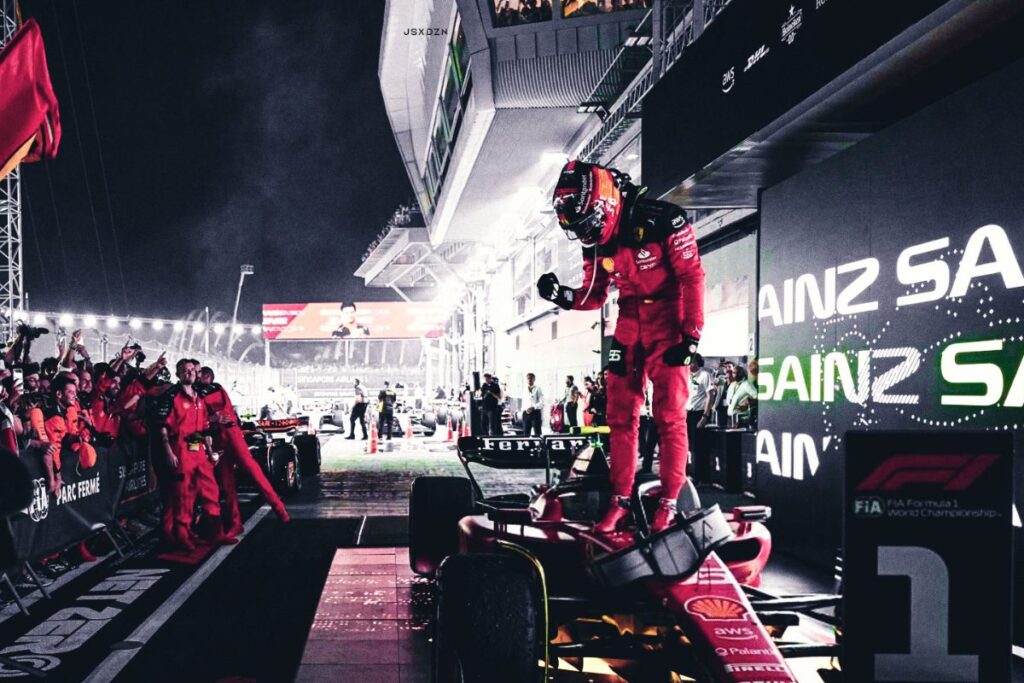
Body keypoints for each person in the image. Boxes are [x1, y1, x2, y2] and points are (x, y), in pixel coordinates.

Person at [538, 159, 705, 533]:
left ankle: (669, 502)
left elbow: (693, 277)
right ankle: (620, 500)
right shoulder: (595, 240)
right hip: (629, 320)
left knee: (670, 416)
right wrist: (562, 296)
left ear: (604, 203)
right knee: (618, 417)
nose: (588, 233)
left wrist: (691, 336)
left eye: (588, 223)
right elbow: (594, 295)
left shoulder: (665, 219)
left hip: (669, 318)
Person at [198, 366, 289, 537]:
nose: (195, 376)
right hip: (220, 438)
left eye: (198, 373)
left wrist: (210, 418)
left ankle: (279, 509)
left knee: (254, 473)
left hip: (230, 435)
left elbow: (218, 414)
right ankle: (235, 523)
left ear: (207, 376)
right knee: (227, 484)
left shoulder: (214, 389)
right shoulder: (200, 391)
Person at [160, 359, 234, 551]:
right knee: (184, 493)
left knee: (211, 490)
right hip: (181, 449)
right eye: (185, 371)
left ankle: (217, 533)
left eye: (192, 370)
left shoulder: (199, 398)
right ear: (178, 374)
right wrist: (168, 451)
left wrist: (210, 453)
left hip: (197, 448)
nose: (189, 373)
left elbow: (203, 428)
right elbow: (162, 427)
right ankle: (182, 536)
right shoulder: (171, 396)